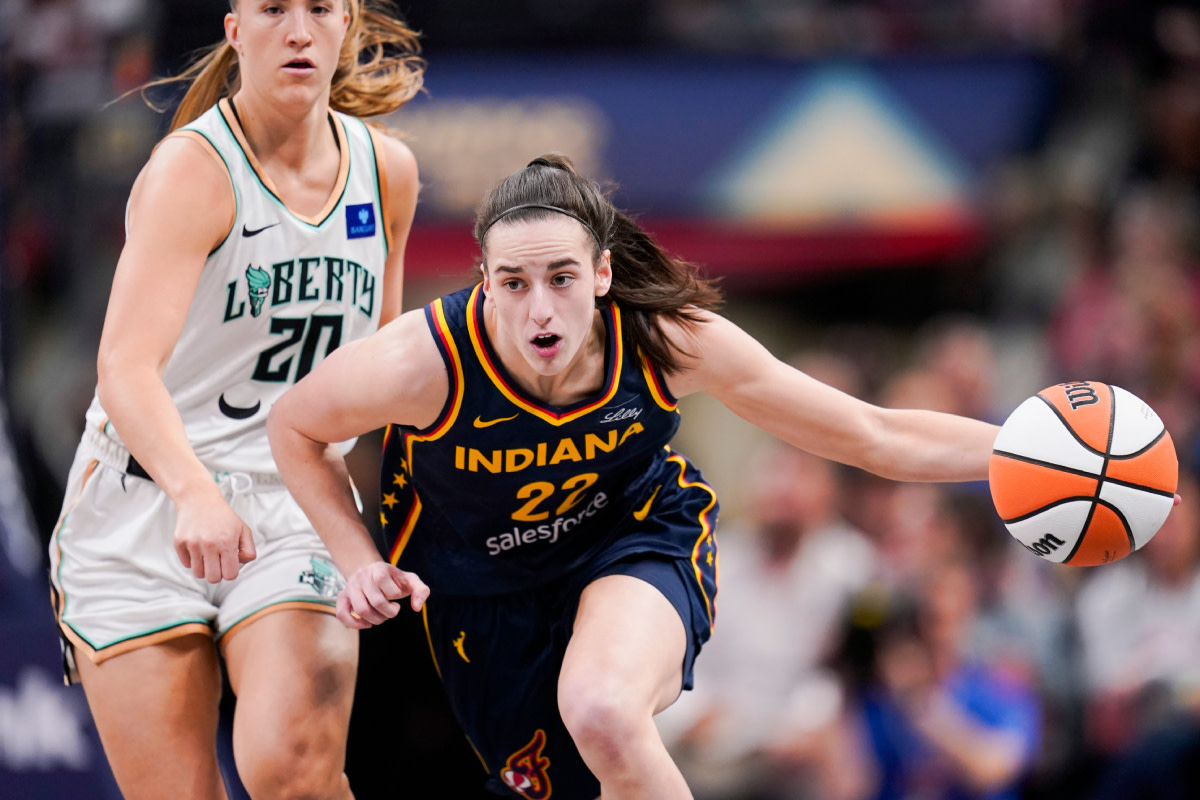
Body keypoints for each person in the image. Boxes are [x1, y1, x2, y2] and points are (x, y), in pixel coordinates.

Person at [266, 153, 1002, 800]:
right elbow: (293, 429)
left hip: (632, 540)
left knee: (603, 711)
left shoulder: (663, 339)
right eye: (515, 284)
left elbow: (874, 433)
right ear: (485, 283)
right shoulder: (420, 364)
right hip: (485, 595)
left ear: (604, 273)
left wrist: (1028, 451)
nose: (542, 311)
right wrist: (356, 558)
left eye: (562, 278)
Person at [46, 2, 423, 798]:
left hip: (294, 503)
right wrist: (197, 494)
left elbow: (381, 370)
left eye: (320, 9)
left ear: (347, 25)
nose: (297, 30)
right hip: (145, 504)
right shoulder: (193, 169)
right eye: (273, 9)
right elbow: (124, 366)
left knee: (292, 771)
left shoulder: (387, 171)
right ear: (234, 29)